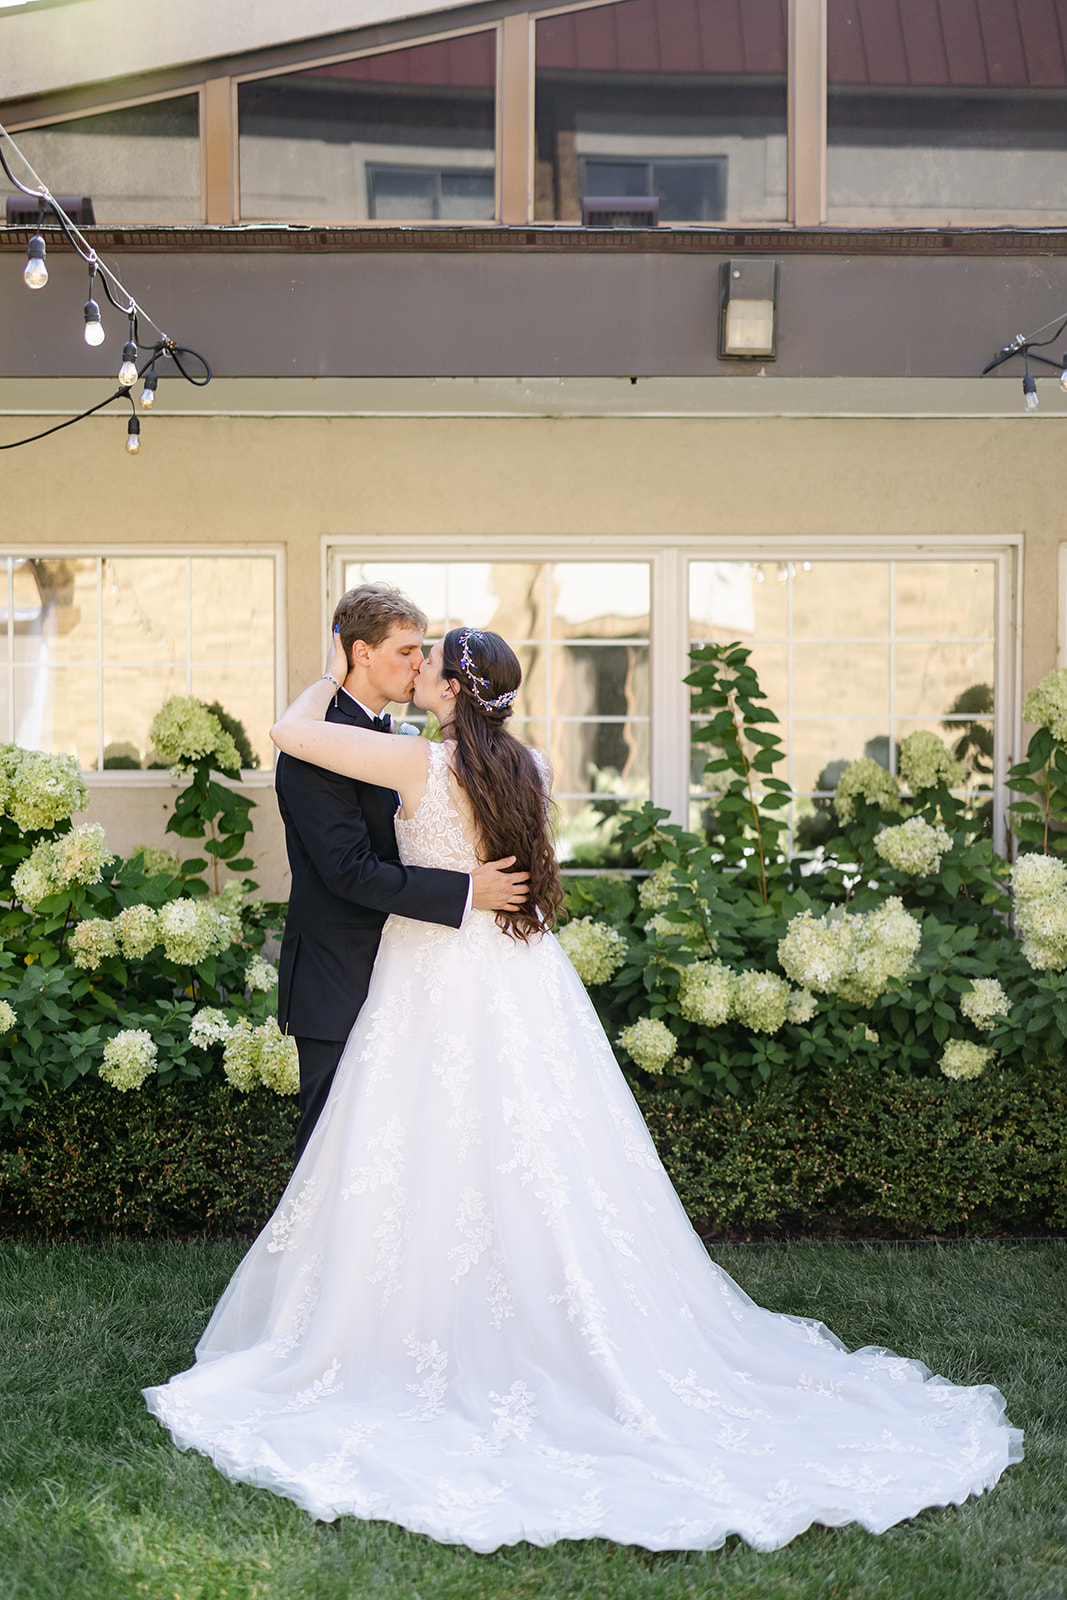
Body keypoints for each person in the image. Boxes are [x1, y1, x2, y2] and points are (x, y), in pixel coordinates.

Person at [144, 627, 1022, 1554]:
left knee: (422, 1141)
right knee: (536, 1142)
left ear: (452, 689)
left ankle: (402, 1327)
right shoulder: (530, 764)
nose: (418, 671)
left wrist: (332, 671)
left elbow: (291, 734)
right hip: (516, 972)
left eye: (429, 664)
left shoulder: (414, 763)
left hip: (431, 971)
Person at [275, 583, 528, 1159]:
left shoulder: (402, 739)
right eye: (407, 650)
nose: (419, 664)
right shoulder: (316, 743)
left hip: (415, 971)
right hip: (340, 974)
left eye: (422, 652)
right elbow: (348, 870)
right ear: (361, 653)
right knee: (332, 1155)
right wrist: (467, 890)